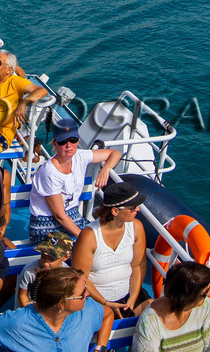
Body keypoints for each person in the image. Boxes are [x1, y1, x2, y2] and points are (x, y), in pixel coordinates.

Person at [28, 126, 120, 241]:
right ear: (55, 143)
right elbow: (59, 216)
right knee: (89, 247)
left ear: (78, 141)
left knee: (109, 239)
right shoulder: (49, 172)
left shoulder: (80, 156)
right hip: (47, 225)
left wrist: (106, 169)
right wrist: (85, 238)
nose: (68, 145)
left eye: (73, 140)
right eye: (63, 141)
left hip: (73, 218)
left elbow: (115, 153)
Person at [73, 181, 149, 316]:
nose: (138, 209)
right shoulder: (89, 236)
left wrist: (133, 298)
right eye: (133, 207)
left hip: (129, 296)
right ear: (115, 211)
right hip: (96, 300)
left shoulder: (136, 227)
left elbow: (138, 265)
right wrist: (106, 303)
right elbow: (81, 276)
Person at [15, 232, 74, 308]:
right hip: (30, 311)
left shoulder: (67, 274)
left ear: (65, 257)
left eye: (51, 259)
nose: (45, 263)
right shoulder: (29, 271)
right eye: (43, 257)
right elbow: (22, 296)